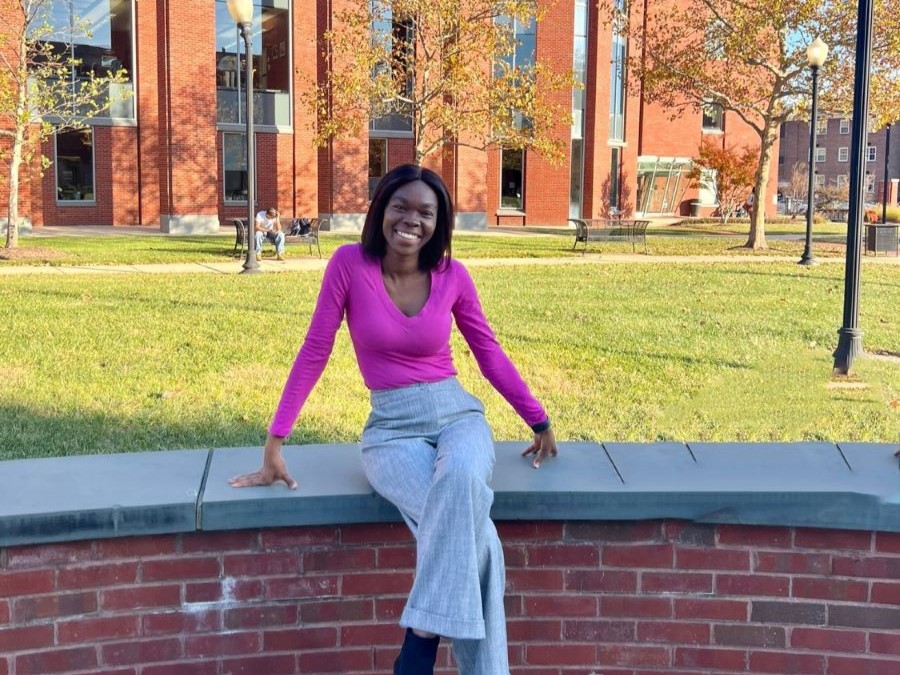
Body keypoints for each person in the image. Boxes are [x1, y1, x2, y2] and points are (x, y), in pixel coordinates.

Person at [229, 164, 558, 675]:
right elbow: (316, 349)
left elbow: (487, 353)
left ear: (439, 222)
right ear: (381, 208)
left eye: (425, 212)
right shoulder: (348, 265)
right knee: (478, 539)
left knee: (464, 480)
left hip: (458, 417)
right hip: (391, 430)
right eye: (400, 206)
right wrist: (276, 439)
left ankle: (420, 640)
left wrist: (537, 420)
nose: (412, 220)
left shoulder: (453, 276)